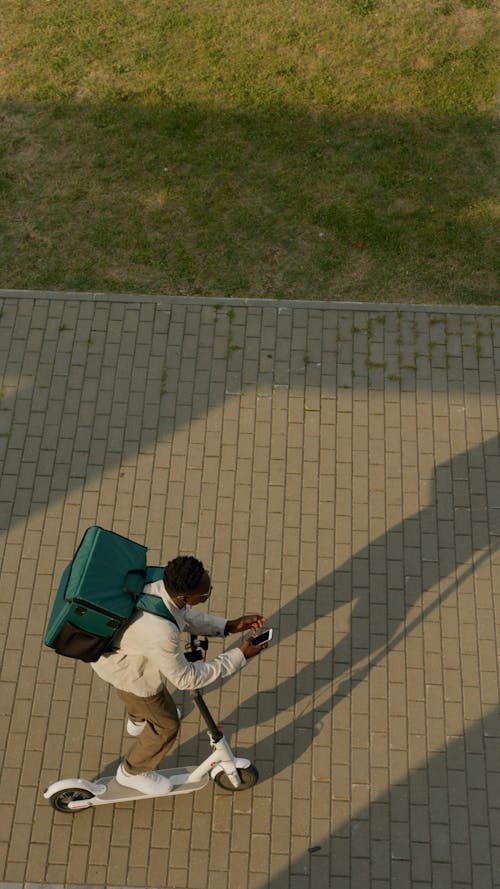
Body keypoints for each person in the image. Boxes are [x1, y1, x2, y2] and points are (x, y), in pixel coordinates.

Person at [91, 555, 266, 794]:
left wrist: (228, 626)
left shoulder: (164, 577)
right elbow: (186, 679)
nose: (207, 595)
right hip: (128, 670)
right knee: (167, 724)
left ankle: (138, 721)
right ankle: (132, 772)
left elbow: (181, 615)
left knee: (142, 702)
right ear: (184, 596)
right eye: (205, 594)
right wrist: (240, 655)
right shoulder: (161, 634)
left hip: (119, 650)